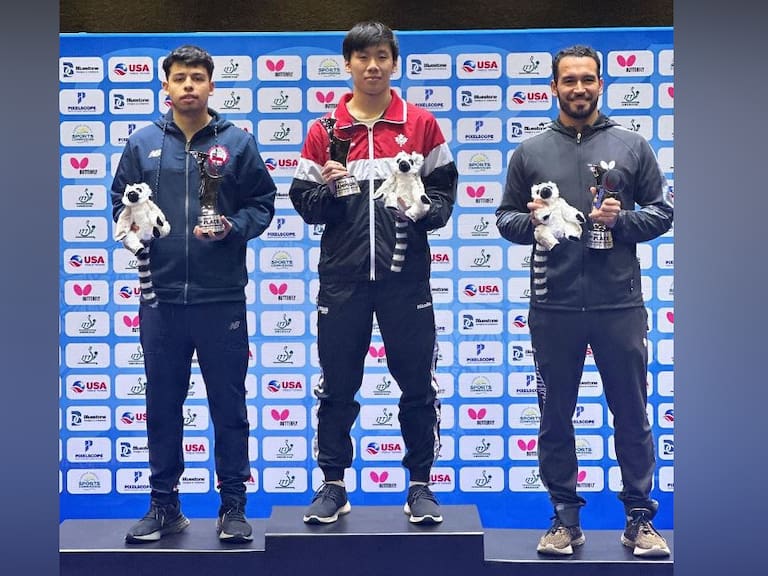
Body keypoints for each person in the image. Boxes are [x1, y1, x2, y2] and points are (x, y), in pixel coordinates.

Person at [495, 45, 673, 557]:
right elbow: (504, 219)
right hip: (553, 308)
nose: (578, 88)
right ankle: (564, 520)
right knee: (554, 417)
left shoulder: (632, 145)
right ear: (553, 86)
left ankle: (639, 519)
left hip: (619, 305)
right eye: (568, 80)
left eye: (587, 79)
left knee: (633, 414)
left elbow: (662, 214)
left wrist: (622, 225)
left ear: (601, 85)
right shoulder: (529, 152)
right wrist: (531, 223)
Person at [289, 21, 458, 525]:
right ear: (347, 65)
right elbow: (303, 203)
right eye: (362, 57)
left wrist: (423, 210)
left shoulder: (422, 124)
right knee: (337, 386)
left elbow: (446, 197)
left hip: (406, 281)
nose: (372, 65)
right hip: (342, 280)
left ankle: (420, 485)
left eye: (382, 55)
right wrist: (332, 192)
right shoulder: (325, 130)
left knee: (417, 387)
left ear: (394, 61)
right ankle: (334, 484)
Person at [111, 44, 276, 543]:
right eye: (179, 78)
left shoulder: (238, 143)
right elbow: (121, 205)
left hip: (221, 298)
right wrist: (134, 232)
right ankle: (165, 506)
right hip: (159, 299)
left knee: (229, 408)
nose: (188, 86)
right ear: (165, 86)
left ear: (211, 85)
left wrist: (231, 227)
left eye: (197, 78)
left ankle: (233, 507)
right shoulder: (141, 144)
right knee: (162, 406)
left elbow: (263, 204)